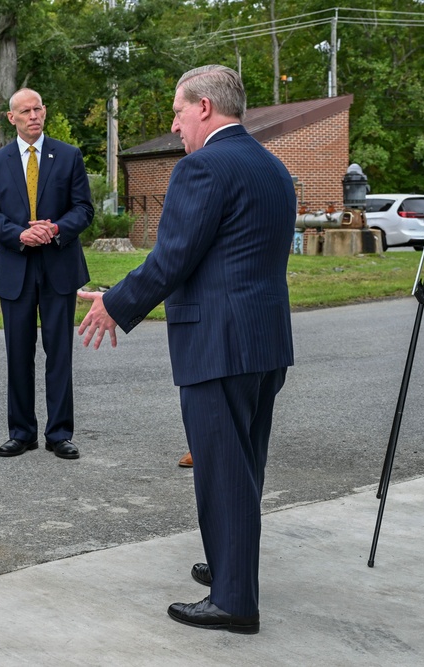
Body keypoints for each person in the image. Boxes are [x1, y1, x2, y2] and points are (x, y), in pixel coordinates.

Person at [78, 65, 296, 634]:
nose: (174, 125)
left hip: (217, 341)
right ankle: (231, 568)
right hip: (264, 339)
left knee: (222, 470)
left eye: (177, 111)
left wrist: (114, 303)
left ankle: (233, 602)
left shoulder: (202, 168)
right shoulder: (273, 167)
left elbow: (173, 258)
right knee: (244, 464)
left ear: (204, 107)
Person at [0, 88, 94, 460]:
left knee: (59, 353)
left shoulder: (68, 156)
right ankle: (22, 432)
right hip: (16, 269)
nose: (34, 115)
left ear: (45, 111)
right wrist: (20, 234)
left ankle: (59, 433)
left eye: (38, 108)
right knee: (18, 353)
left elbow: (83, 209)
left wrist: (56, 229)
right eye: (25, 111)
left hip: (59, 267)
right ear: (11, 117)